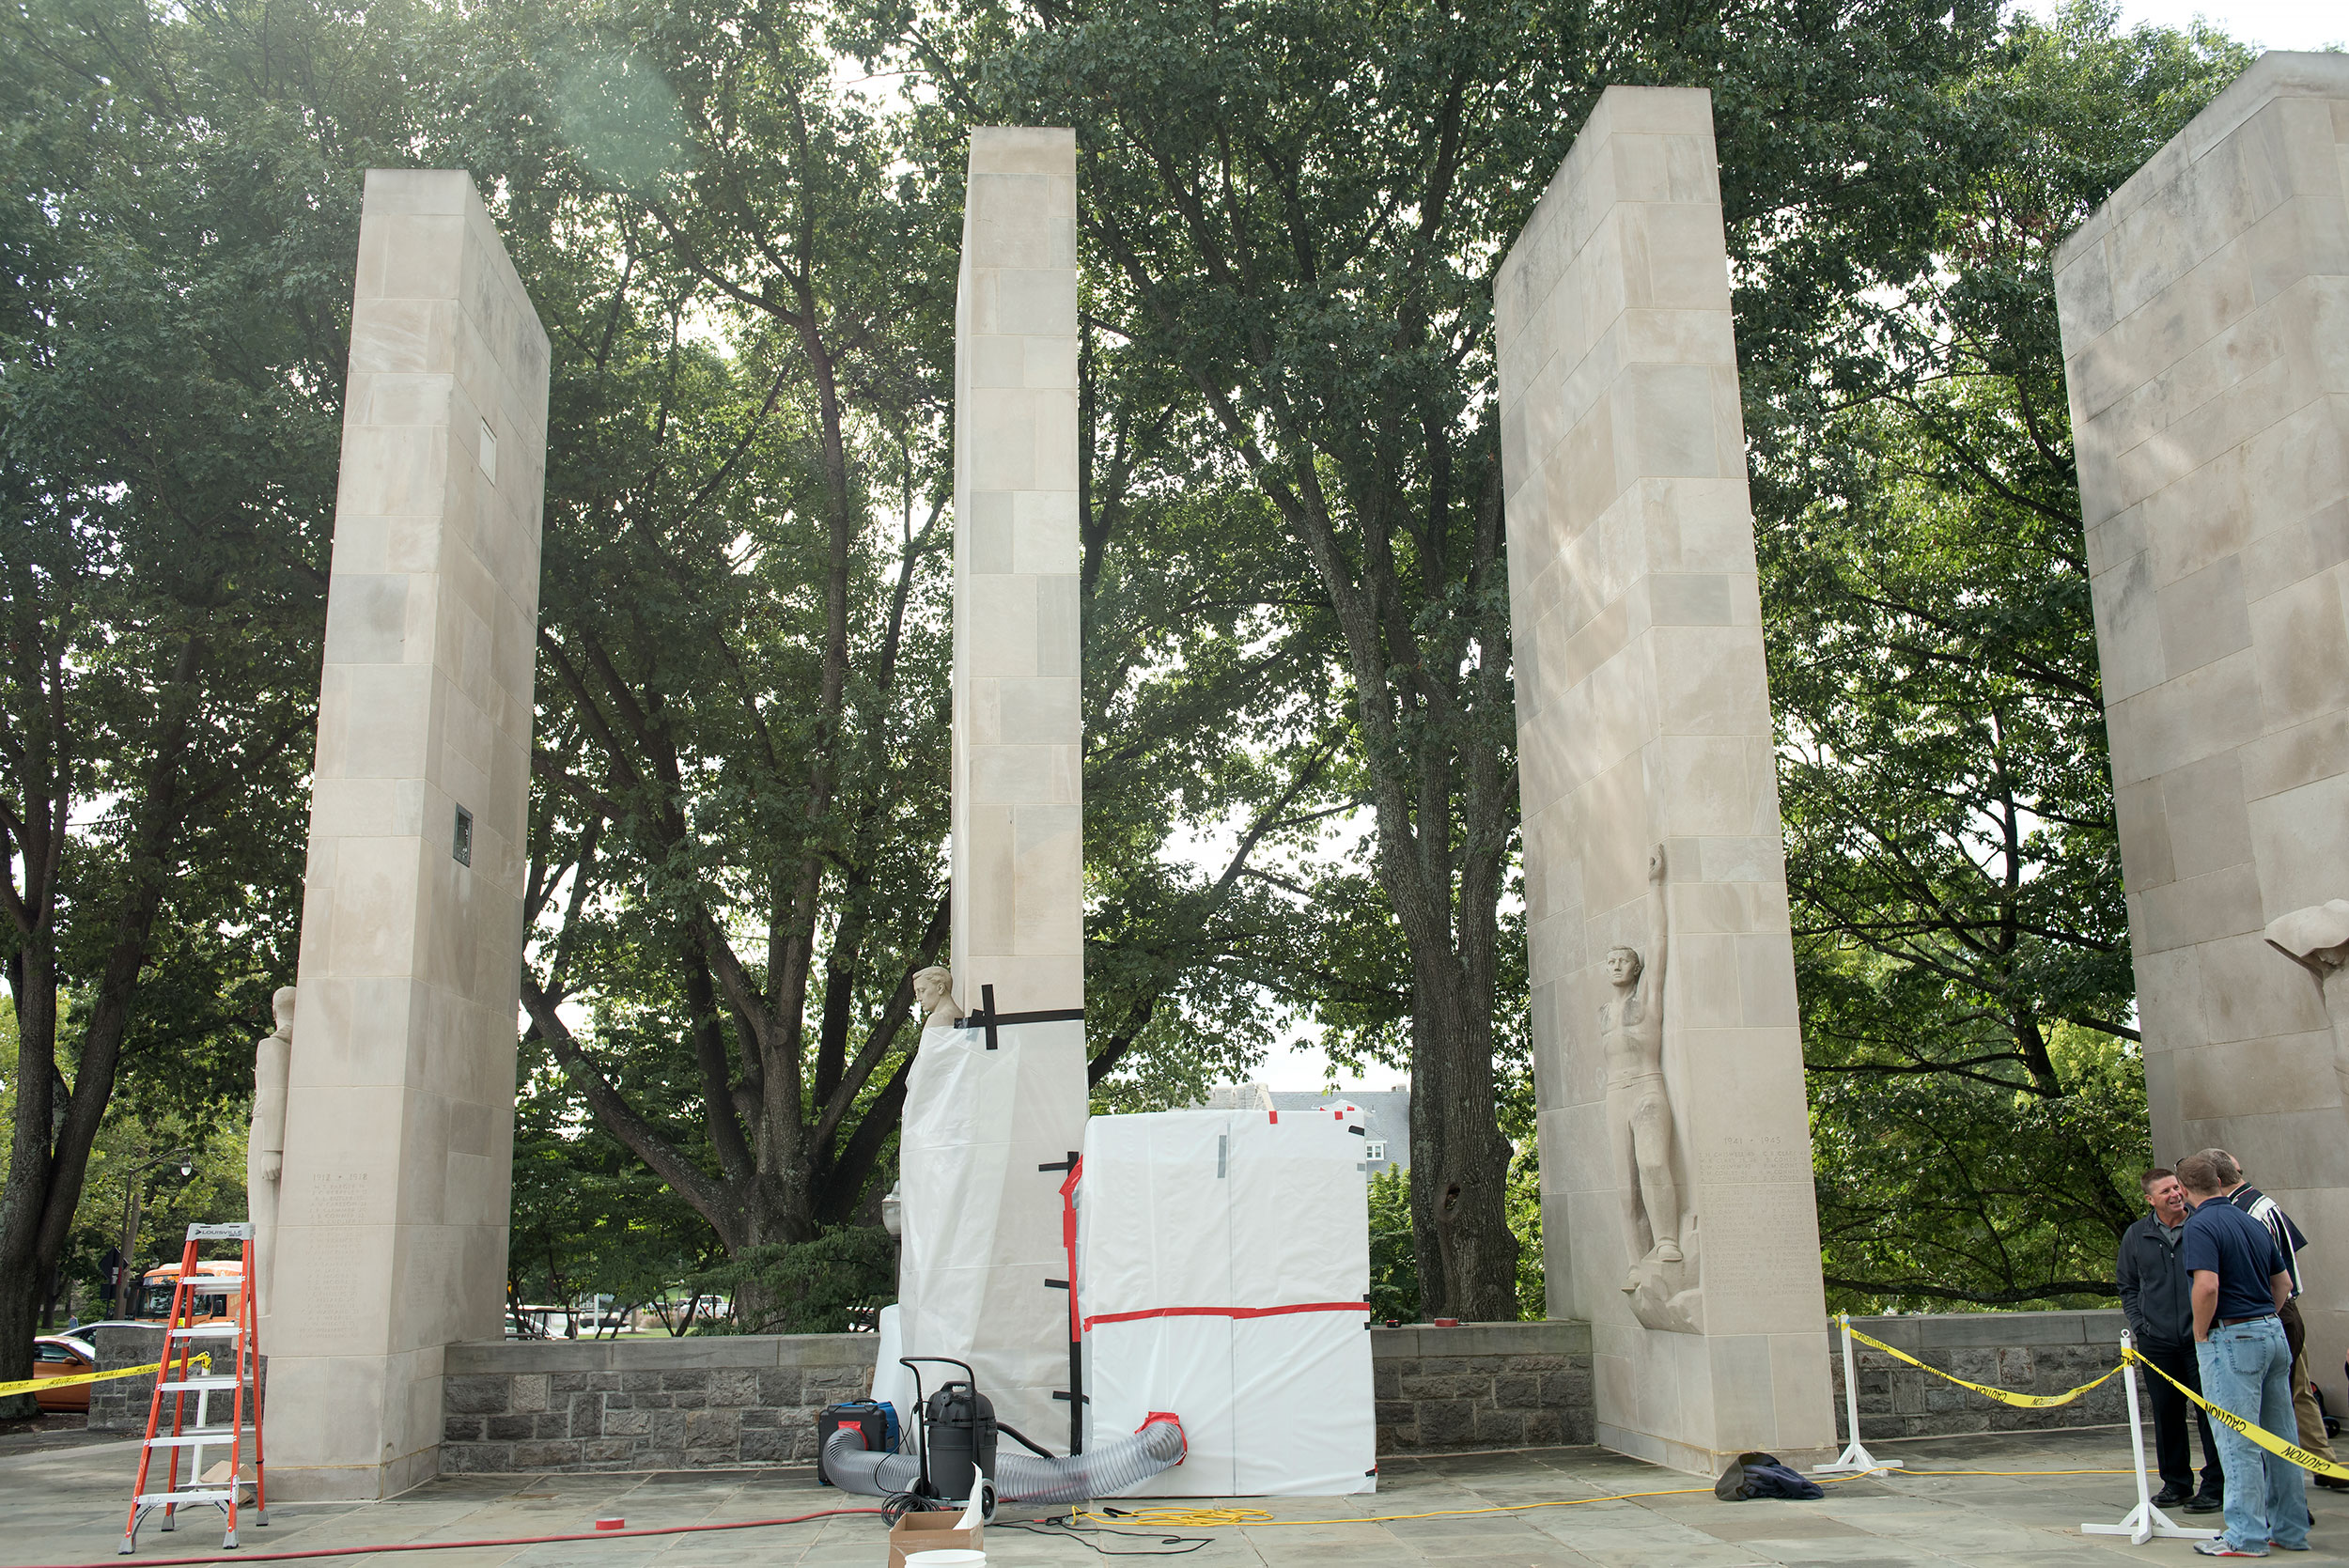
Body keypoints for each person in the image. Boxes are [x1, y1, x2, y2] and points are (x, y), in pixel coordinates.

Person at [2177, 1151, 2308, 1557]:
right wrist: (2262, 1314)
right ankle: (2290, 1530)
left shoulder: (2200, 1225)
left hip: (2232, 1338)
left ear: (2184, 1190)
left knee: (2237, 1442)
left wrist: (2201, 1332)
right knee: (2281, 1439)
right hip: (2271, 1332)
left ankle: (2244, 1535)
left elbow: (2208, 1286)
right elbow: (2283, 1282)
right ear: (2220, 1181)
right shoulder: (2251, 1221)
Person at [2201, 1148, 2349, 1492]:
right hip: (2278, 1310)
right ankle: (2322, 1464)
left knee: (2277, 1398)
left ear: (2216, 1180)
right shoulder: (2262, 1204)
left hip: (2268, 1312)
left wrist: (2267, 1312)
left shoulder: (2245, 1211)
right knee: (2295, 1391)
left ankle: (2290, 1481)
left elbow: (2273, 1273)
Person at [2118, 1167, 2225, 1512]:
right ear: (2150, 1200)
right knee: (2167, 1414)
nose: (2175, 1194)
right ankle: (2176, 1484)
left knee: (2211, 1413)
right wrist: (2141, 1324)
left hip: (2202, 1337)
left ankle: (2216, 1485)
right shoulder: (2136, 1235)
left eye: (2177, 1187)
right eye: (2165, 1191)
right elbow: (2128, 1286)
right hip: (2157, 1342)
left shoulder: (2202, 1226)